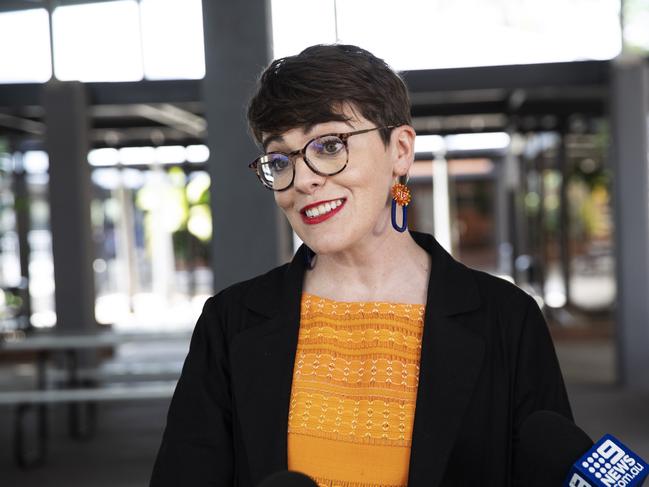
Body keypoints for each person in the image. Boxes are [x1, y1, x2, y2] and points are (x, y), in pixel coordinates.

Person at [150, 44, 572, 487]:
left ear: (401, 151)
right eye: (280, 159)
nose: (306, 179)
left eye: (330, 145)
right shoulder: (230, 322)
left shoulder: (507, 319)